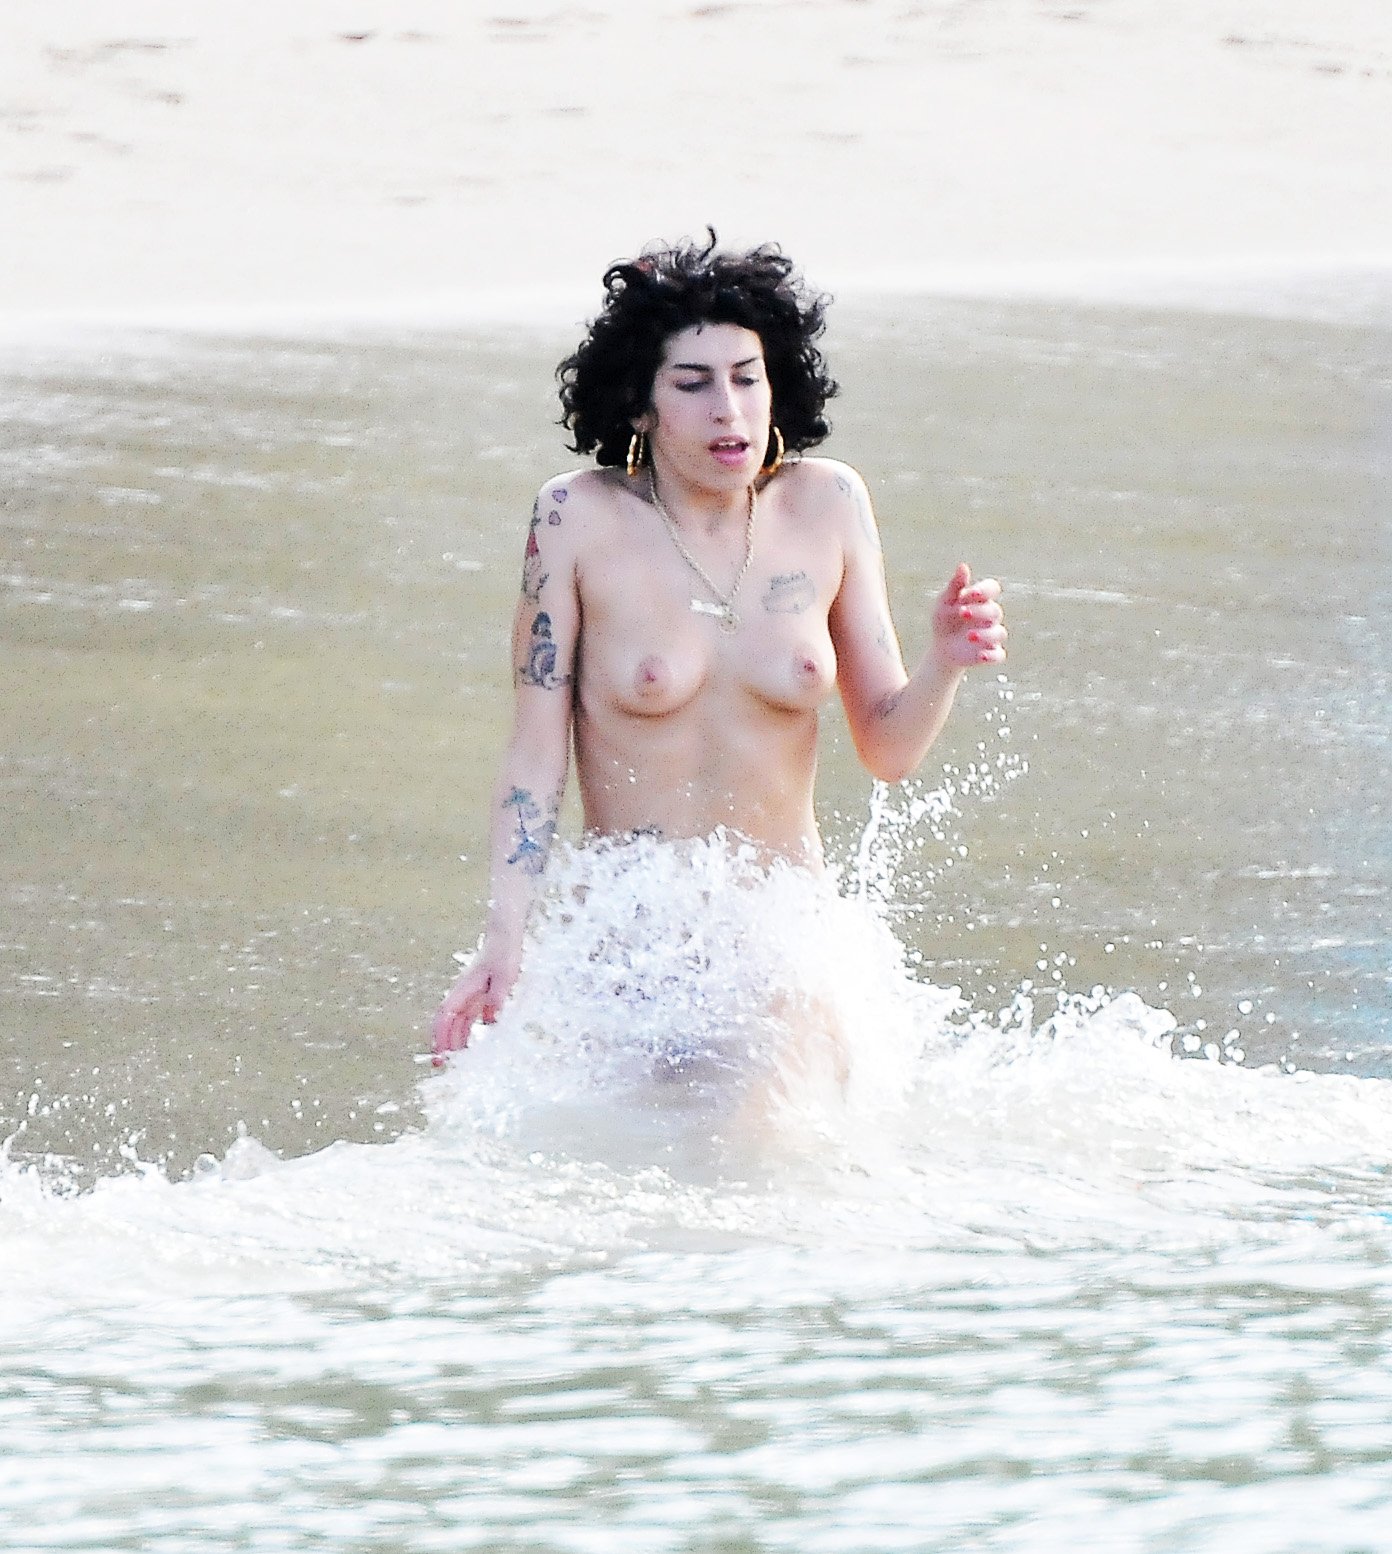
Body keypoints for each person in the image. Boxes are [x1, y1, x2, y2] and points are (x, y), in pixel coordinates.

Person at [431, 233, 1006, 1064]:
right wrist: (503, 939)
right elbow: (535, 756)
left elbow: (888, 750)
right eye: (692, 384)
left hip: (784, 939)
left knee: (754, 1118)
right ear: (641, 404)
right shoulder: (575, 520)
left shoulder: (827, 505)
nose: (728, 410)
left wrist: (943, 662)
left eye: (746, 378)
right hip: (629, 940)